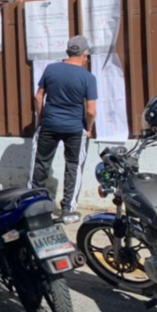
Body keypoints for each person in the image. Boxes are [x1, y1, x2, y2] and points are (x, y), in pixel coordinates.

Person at [28, 35, 98, 214]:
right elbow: (91, 111)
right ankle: (68, 208)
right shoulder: (88, 77)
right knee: (73, 166)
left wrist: (41, 118)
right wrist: (88, 128)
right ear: (84, 54)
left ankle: (34, 202)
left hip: (49, 124)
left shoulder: (51, 69)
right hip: (75, 128)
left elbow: (38, 96)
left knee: (41, 163)